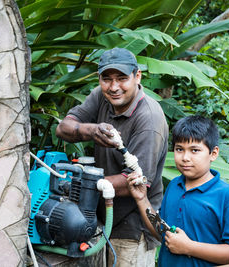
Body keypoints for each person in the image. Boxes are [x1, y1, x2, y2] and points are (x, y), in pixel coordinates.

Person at [56, 48, 168, 267]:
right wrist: (90, 130)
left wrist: (78, 186)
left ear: (137, 76)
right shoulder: (102, 96)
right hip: (100, 221)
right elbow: (63, 128)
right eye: (106, 79)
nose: (114, 87)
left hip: (133, 228)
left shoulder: (149, 120)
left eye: (122, 79)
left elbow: (136, 182)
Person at [127, 115, 229, 266]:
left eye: (195, 150)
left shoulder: (227, 196)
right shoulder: (174, 186)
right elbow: (163, 233)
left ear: (213, 153)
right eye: (179, 149)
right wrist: (142, 199)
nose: (185, 157)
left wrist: (189, 247)